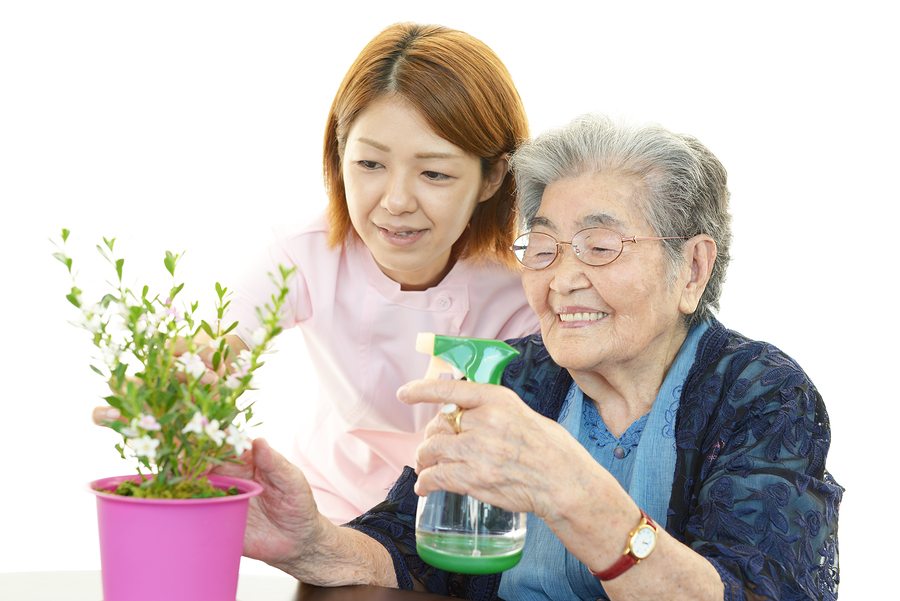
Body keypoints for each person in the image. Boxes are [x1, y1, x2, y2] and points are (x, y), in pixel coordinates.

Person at [217, 114, 842, 600]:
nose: (562, 277)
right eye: (541, 247)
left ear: (693, 268)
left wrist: (575, 493)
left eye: (599, 246)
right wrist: (310, 545)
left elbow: (758, 591)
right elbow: (409, 551)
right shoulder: (510, 375)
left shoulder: (761, 394)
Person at [194, 23, 540, 523]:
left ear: (492, 177)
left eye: (435, 173)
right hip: (330, 512)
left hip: (461, 526)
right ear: (339, 156)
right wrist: (180, 384)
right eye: (370, 164)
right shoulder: (305, 255)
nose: (396, 202)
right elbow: (216, 345)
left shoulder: (525, 287)